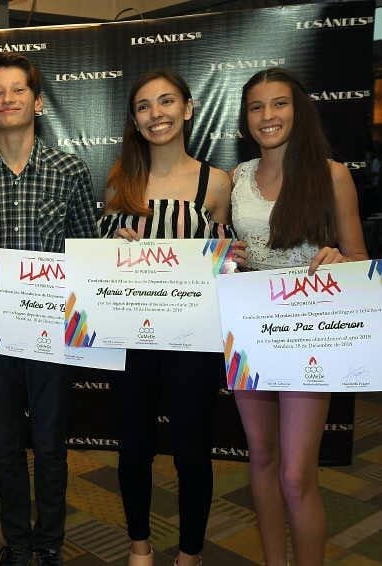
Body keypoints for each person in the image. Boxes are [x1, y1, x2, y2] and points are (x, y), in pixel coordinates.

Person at [0, 53, 98, 566]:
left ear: (37, 103)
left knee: (51, 442)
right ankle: (17, 542)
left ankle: (50, 540)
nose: (8, 99)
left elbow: (88, 248)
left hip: (53, 328)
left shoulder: (70, 169)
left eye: (18, 91)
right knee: (7, 443)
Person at [98, 69, 246, 566]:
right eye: (143, 106)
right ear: (135, 119)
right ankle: (139, 546)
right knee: (134, 448)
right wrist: (110, 247)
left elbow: (228, 262)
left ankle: (190, 553)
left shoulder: (217, 183)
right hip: (133, 338)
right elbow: (99, 264)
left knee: (191, 451)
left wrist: (231, 259)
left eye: (165, 102)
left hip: (193, 341)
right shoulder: (120, 180)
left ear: (188, 108)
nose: (155, 113)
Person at [231, 67, 367, 566]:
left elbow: (360, 259)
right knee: (261, 459)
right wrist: (227, 256)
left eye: (279, 104)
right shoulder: (236, 178)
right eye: (257, 107)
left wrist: (339, 259)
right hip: (250, 330)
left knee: (295, 474)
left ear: (299, 109)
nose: (268, 116)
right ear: (246, 121)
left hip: (310, 333)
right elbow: (224, 251)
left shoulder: (332, 175)